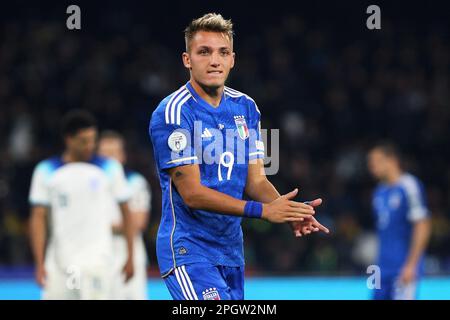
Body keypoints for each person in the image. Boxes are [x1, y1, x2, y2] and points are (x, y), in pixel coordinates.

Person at [149, 13, 329, 300]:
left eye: (223, 52)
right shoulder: (173, 112)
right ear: (187, 59)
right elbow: (192, 194)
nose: (214, 61)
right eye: (203, 52)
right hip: (189, 251)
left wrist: (285, 209)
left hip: (231, 252)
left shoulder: (247, 107)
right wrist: (262, 211)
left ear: (233, 59)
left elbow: (256, 179)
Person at [29, 110, 134, 299]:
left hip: (98, 262)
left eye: (93, 140)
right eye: (84, 140)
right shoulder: (45, 171)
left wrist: (130, 257)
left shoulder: (110, 168)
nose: (90, 145)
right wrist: (39, 263)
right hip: (60, 263)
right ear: (69, 139)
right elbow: (38, 218)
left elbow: (127, 212)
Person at [367, 142, 431, 300]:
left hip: (402, 266)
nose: (371, 167)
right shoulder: (379, 192)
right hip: (380, 268)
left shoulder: (409, 186)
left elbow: (422, 225)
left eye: (376, 161)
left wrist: (411, 265)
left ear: (392, 160)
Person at [98, 130, 151, 300]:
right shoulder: (90, 183)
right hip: (98, 253)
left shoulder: (135, 182)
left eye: (114, 153)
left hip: (128, 254)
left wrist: (97, 223)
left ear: (122, 155)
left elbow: (139, 222)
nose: (109, 159)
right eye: (105, 154)